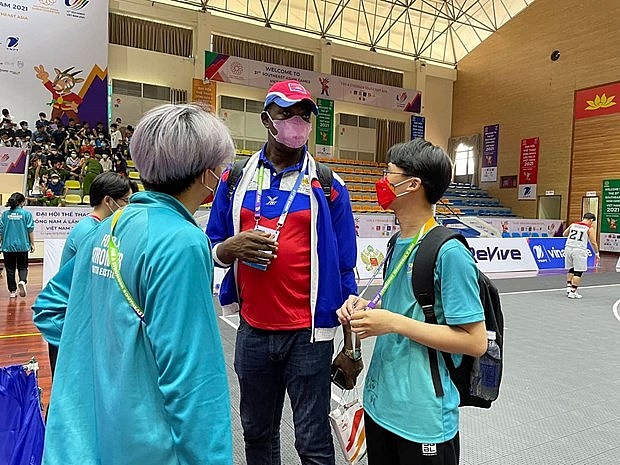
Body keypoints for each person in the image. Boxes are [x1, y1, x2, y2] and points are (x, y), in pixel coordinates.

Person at [32, 104, 235, 465]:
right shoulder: (182, 242)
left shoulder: (108, 227)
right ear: (208, 173)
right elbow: (193, 377)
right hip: (148, 444)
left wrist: (106, 359)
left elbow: (49, 308)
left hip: (89, 437)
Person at [207, 80, 360, 465]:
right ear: (266, 120)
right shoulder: (235, 179)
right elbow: (213, 245)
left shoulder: (328, 186)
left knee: (313, 442)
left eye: (303, 115)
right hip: (254, 332)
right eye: (286, 113)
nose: (296, 122)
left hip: (310, 337)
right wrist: (230, 248)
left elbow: (345, 271)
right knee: (257, 433)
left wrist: (352, 346)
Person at [337, 139, 487, 465]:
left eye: (389, 173)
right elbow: (407, 309)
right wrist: (367, 313)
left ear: (412, 185)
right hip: (381, 406)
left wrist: (392, 322)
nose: (383, 182)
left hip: (423, 417)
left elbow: (475, 341)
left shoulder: (449, 252)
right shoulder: (396, 243)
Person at [0, 193, 35, 299]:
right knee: (23, 267)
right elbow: (30, 230)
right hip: (22, 246)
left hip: (8, 246)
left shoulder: (5, 214)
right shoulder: (26, 214)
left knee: (10, 269)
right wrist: (32, 244)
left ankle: (12, 291)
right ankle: (22, 281)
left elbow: (1, 231)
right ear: (22, 202)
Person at [563, 212, 600, 299]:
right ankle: (573, 291)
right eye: (592, 221)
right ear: (591, 220)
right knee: (578, 271)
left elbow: (564, 234)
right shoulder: (589, 228)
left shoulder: (573, 225)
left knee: (571, 269)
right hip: (579, 249)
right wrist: (597, 253)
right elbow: (593, 242)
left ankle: (569, 287)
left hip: (568, 248)